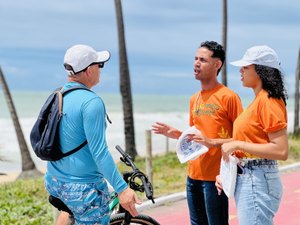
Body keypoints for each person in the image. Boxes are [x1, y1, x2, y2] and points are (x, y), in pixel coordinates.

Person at [44, 44, 141, 225]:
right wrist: (122, 189)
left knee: (72, 209)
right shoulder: (91, 102)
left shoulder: (59, 95)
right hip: (83, 190)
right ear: (89, 70)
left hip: (54, 180)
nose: (100, 69)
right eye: (99, 65)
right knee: (90, 201)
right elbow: (99, 152)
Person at [152, 41, 243, 225]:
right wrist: (177, 134)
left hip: (215, 179)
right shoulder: (195, 99)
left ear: (217, 65)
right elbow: (196, 139)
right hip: (192, 177)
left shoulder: (229, 97)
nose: (196, 63)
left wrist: (212, 142)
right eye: (195, 59)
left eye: (202, 59)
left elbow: (241, 138)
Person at [213, 45, 288, 225]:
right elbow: (251, 141)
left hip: (257, 180)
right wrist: (228, 173)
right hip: (253, 177)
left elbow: (281, 150)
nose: (241, 70)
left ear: (261, 70)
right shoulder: (260, 100)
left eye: (246, 66)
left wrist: (238, 145)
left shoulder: (268, 100)